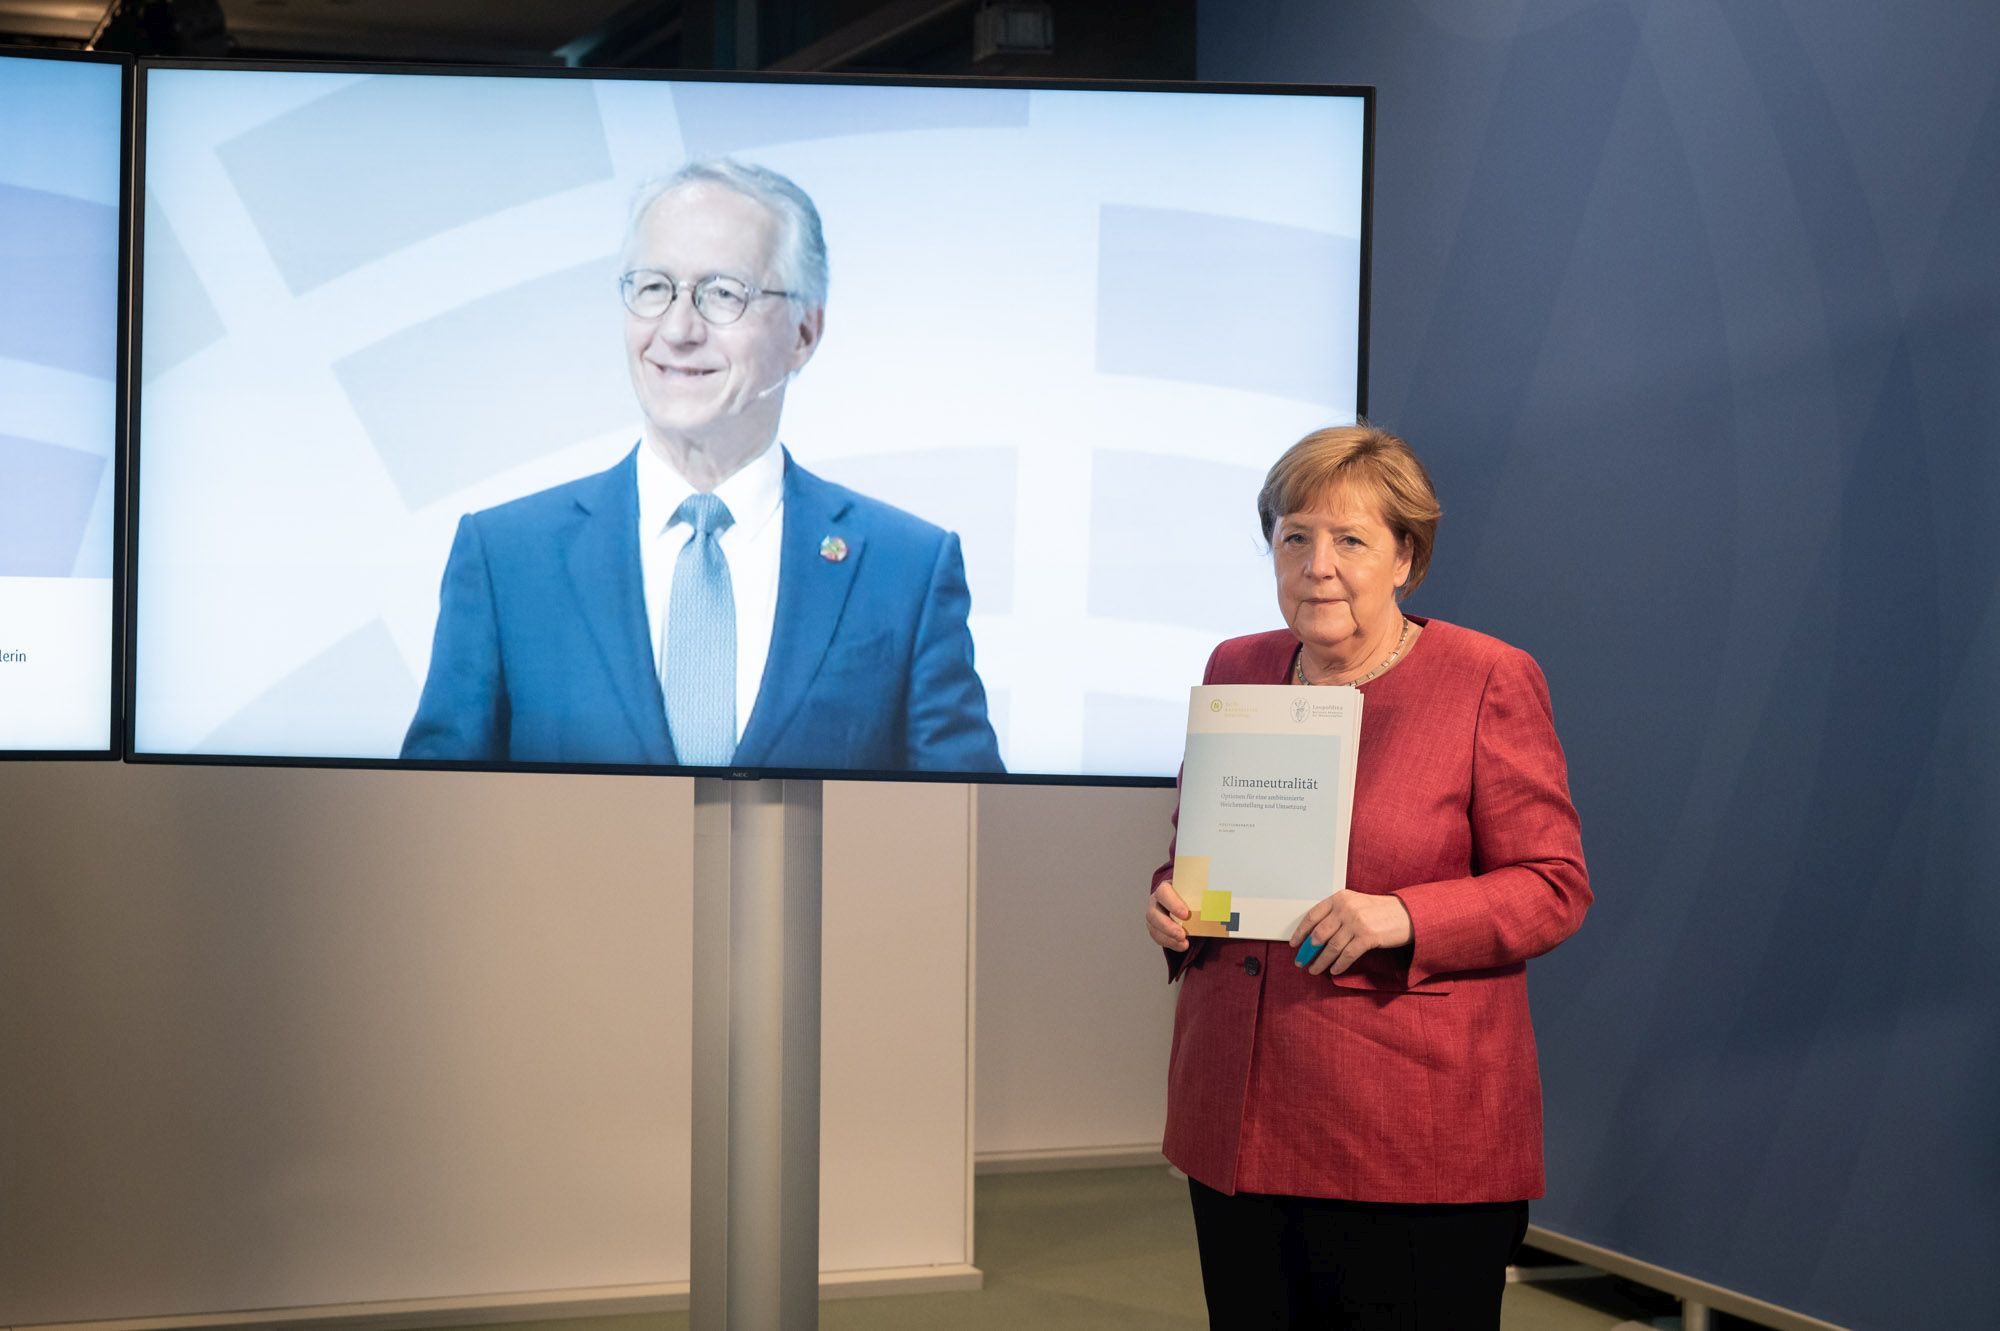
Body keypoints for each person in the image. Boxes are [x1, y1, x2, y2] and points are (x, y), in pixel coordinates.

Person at [1145, 424, 1590, 1329]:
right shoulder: (1239, 667)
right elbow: (1199, 842)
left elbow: (1554, 885)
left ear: (1406, 558)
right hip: (1237, 1118)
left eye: (1351, 540)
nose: (1318, 565)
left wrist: (1403, 915)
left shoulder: (1485, 678)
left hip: (1407, 1136)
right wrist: (1170, 897)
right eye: (1294, 537)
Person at [402, 159, 1003, 772]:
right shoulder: (508, 558)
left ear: (805, 332)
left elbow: (968, 832)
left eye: (722, 293)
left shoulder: (905, 570)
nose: (679, 329)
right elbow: (434, 821)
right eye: (654, 287)